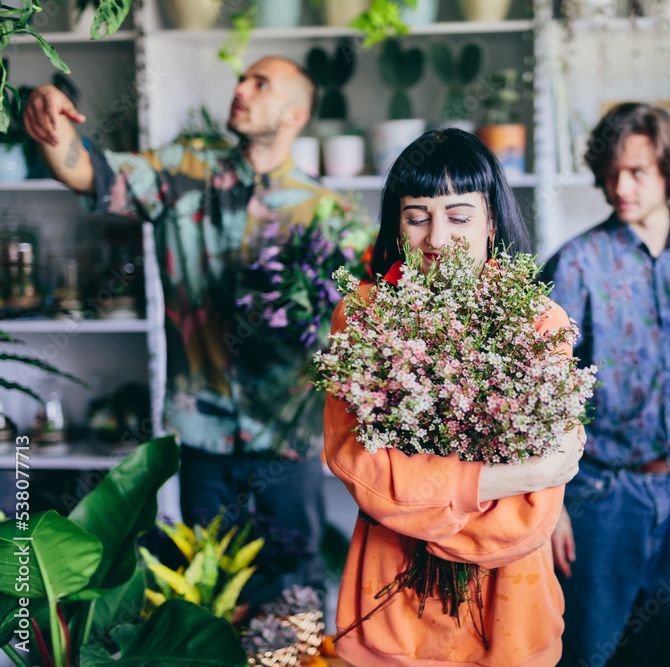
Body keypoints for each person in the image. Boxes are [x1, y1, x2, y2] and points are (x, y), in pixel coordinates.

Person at [24, 56, 332, 608]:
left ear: (295, 112)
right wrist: (47, 106)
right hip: (203, 437)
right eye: (242, 77)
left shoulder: (326, 212)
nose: (240, 88)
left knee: (295, 601)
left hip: (288, 442)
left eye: (260, 83)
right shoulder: (184, 170)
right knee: (207, 600)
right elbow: (83, 170)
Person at [325, 128, 586, 666]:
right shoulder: (365, 317)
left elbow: (529, 521)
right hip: (391, 613)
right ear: (397, 227)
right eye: (417, 217)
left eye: (459, 217)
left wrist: (420, 511)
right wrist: (519, 476)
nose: (437, 239)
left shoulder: (540, 324)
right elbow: (360, 466)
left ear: (492, 223)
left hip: (508, 614)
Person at [540, 103, 670, 667]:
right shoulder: (576, 264)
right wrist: (550, 508)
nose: (620, 186)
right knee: (583, 656)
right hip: (600, 498)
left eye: (638, 171)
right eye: (613, 171)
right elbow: (535, 392)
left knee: (652, 656)